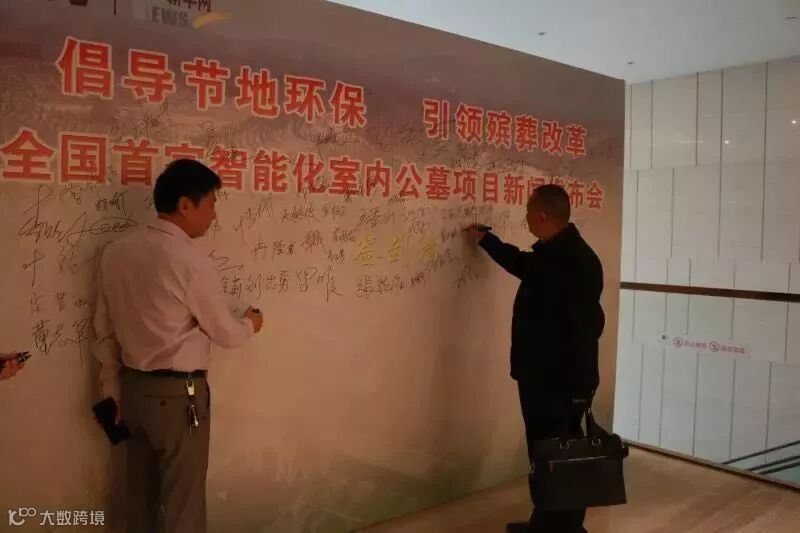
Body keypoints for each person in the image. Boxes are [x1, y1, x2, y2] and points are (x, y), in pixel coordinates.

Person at [92, 159, 264, 533]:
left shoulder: (116, 252)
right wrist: (251, 323)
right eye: (211, 203)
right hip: (179, 399)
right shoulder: (189, 261)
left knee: (138, 497)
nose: (214, 215)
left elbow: (104, 332)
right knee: (182, 504)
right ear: (185, 205)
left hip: (133, 390)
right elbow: (227, 334)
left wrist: (111, 390)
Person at [467, 184, 605, 533]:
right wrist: (489, 242)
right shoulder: (559, 253)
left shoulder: (573, 262)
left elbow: (588, 326)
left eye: (528, 212)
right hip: (551, 380)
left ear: (542, 216)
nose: (525, 217)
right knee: (553, 456)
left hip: (556, 383)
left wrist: (577, 388)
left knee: (554, 457)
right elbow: (525, 266)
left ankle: (557, 528)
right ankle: (551, 525)